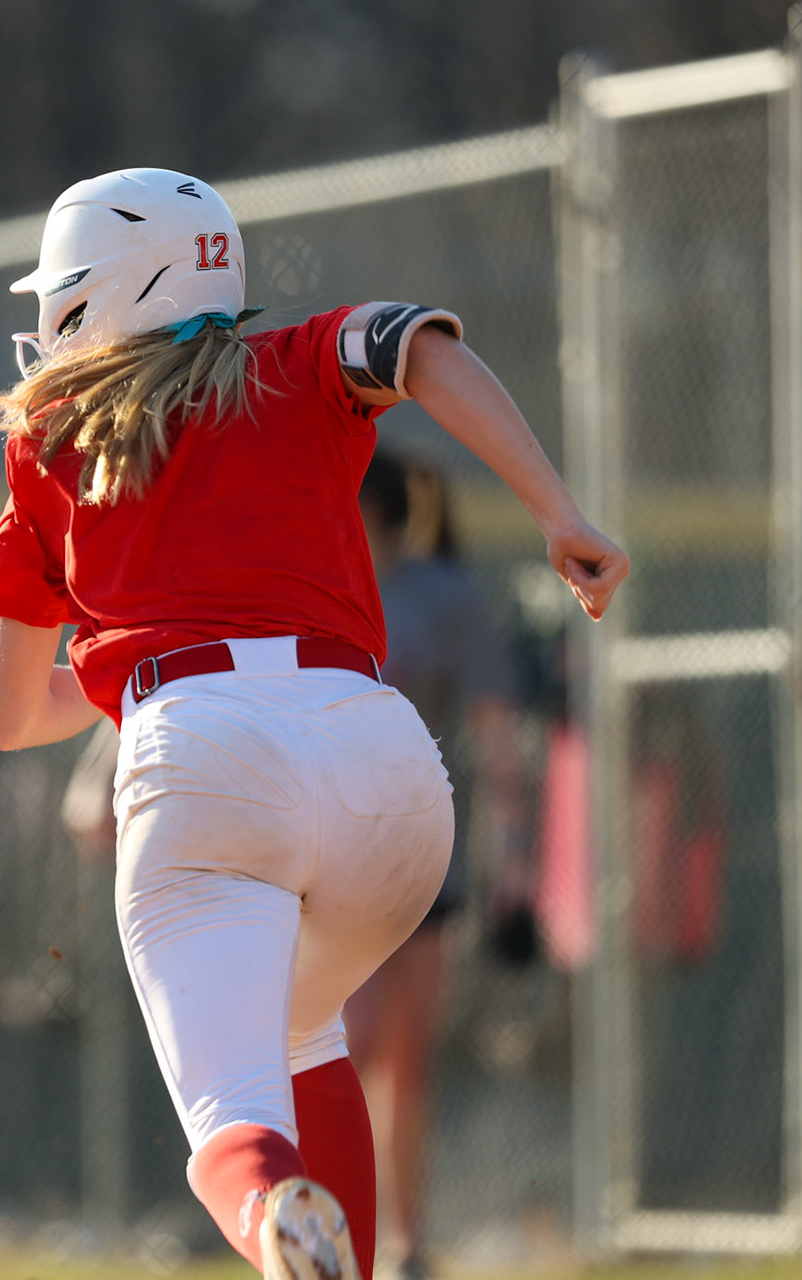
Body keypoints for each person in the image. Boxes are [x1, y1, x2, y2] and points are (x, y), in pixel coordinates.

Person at [0, 168, 626, 1280]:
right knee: (302, 1032)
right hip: (388, 764)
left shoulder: (53, 439)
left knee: (233, 1118)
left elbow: (9, 713)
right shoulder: (300, 358)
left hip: (205, 754)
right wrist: (559, 513)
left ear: (98, 295)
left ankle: (276, 1212)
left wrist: (130, 651)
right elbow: (423, 348)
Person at [344, 450, 533, 1280]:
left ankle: (405, 1244)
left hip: (418, 860)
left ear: (374, 510)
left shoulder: (443, 597)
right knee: (334, 1050)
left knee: (401, 1060)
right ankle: (328, 1236)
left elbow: (497, 736)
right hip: (324, 857)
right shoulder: (299, 585)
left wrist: (516, 862)